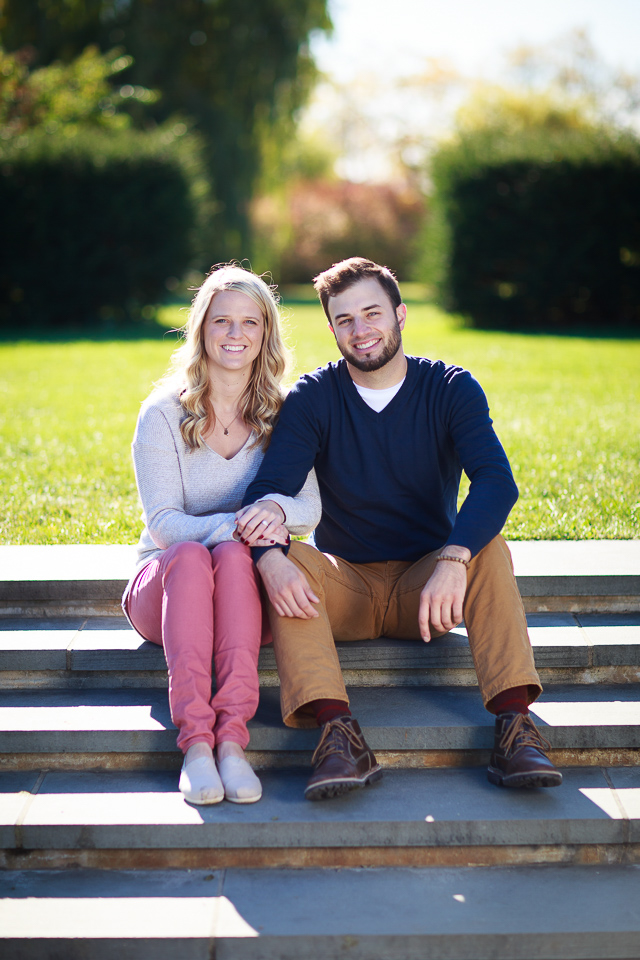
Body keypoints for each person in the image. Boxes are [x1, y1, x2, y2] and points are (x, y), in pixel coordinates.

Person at [241, 256, 562, 801]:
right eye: (345, 320)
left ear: (401, 314)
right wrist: (269, 556)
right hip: (349, 587)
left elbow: (496, 483)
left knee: (489, 546)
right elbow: (266, 491)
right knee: (286, 560)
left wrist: (453, 557)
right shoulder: (313, 397)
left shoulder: (451, 388)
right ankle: (339, 735)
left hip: (428, 590)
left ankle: (514, 728)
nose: (361, 331)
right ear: (332, 329)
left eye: (372, 313)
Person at [122, 264, 321, 806]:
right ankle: (196, 746)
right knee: (191, 554)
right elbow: (163, 524)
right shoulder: (163, 414)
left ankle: (232, 741)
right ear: (202, 329)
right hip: (165, 590)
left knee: (234, 559)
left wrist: (276, 512)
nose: (235, 335)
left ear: (265, 334)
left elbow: (308, 507)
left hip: (242, 597)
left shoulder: (285, 415)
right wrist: (237, 526)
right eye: (222, 322)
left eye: (249, 323)